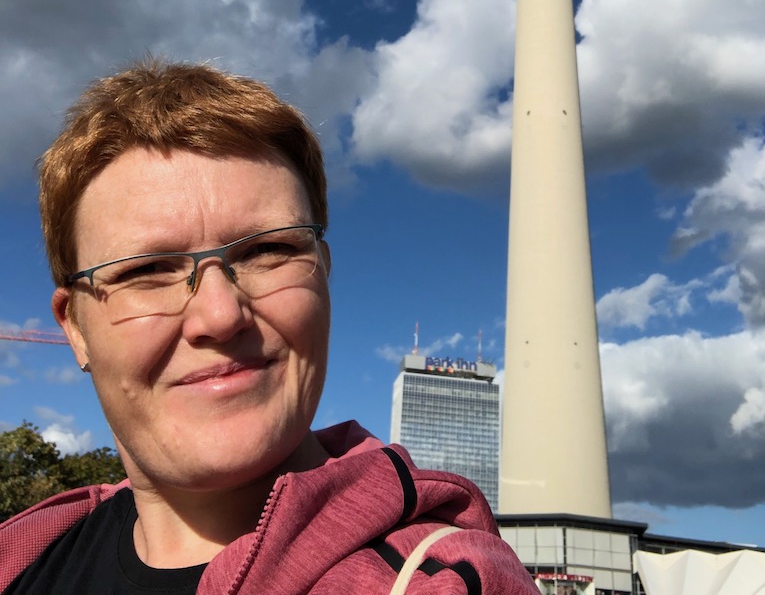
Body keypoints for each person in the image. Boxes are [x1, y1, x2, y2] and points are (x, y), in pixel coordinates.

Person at [0, 59, 537, 594]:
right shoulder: (22, 558)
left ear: (324, 274)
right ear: (74, 326)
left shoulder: (438, 582)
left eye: (269, 250)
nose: (220, 314)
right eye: (147, 270)